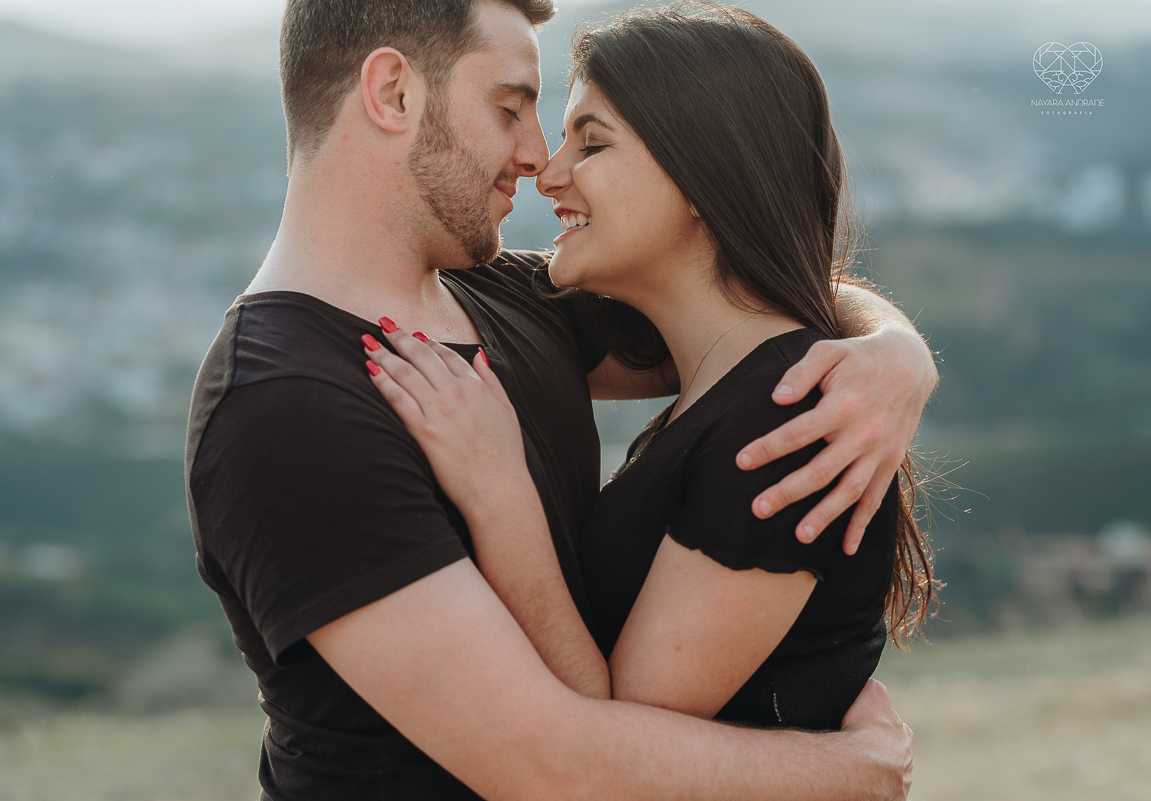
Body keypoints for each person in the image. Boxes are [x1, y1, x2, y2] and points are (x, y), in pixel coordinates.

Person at [185, 0, 936, 798]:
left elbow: (730, 293)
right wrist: (842, 774)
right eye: (509, 108)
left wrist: (892, 352)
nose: (536, 157)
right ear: (393, 93)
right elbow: (548, 766)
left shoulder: (509, 297)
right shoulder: (286, 405)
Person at [365, 0, 939, 737]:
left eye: (591, 144)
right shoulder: (727, 373)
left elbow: (624, 748)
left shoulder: (790, 419)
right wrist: (897, 343)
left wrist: (499, 492)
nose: (549, 173)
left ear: (705, 176)